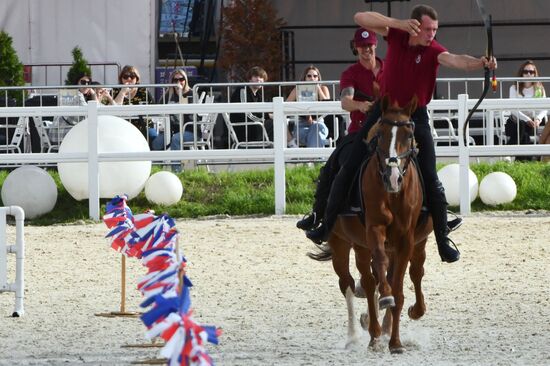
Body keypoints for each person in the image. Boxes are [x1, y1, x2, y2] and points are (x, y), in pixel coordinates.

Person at [305, 4, 497, 263]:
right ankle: (326, 226)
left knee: (429, 174)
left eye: (435, 30)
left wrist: (479, 63)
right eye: (428, 29)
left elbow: (456, 60)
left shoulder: (433, 50)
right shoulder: (395, 34)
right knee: (350, 164)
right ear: (415, 25)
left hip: (415, 116)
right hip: (383, 111)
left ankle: (442, 237)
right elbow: (359, 16)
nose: (432, 34)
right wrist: (398, 23)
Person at [297, 28, 382, 231]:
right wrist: (361, 106)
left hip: (389, 127)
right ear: (355, 48)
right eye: (361, 47)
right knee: (335, 166)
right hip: (360, 130)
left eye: (369, 45)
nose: (366, 50)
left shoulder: (390, 69)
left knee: (419, 160)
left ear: (375, 45)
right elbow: (345, 101)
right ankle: (322, 216)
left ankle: (434, 213)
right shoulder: (350, 74)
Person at [506, 60, 547, 160]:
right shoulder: (514, 88)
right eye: (526, 71)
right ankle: (524, 160)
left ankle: (508, 153)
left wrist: (538, 119)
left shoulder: (539, 88)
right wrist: (526, 119)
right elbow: (513, 109)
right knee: (522, 127)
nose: (528, 74)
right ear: (521, 73)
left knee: (524, 132)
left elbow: (544, 108)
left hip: (532, 123)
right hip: (514, 122)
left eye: (531, 72)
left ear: (535, 74)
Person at [286, 65, 331, 147]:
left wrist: (318, 89)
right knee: (315, 134)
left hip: (319, 122)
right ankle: (317, 158)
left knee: (316, 128)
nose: (312, 78)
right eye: (309, 76)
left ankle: (312, 158)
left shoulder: (323, 88)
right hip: (301, 124)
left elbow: (327, 105)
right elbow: (286, 105)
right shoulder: (298, 89)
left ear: (318, 78)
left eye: (315, 76)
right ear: (304, 78)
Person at [152, 68, 195, 151]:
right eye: (175, 80)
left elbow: (190, 114)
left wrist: (180, 95)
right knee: (156, 143)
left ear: (185, 80)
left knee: (176, 139)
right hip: (171, 129)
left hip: (190, 130)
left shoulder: (191, 94)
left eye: (181, 79)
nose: (178, 82)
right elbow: (158, 110)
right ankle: (164, 162)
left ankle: (176, 164)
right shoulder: (168, 95)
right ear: (171, 82)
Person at [113, 65, 157, 144]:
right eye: (125, 77)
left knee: (153, 137)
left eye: (132, 77)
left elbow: (154, 108)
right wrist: (122, 92)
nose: (129, 79)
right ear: (121, 79)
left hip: (144, 125)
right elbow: (112, 108)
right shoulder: (116, 90)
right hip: (122, 126)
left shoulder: (143, 91)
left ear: (136, 79)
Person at [229, 66, 274, 144]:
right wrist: (267, 117)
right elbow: (247, 114)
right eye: (256, 76)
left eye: (261, 77)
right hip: (244, 128)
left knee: (278, 122)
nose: (258, 79)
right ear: (249, 78)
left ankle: (275, 149)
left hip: (254, 126)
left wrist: (269, 116)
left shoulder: (258, 96)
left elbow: (261, 113)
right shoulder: (242, 90)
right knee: (274, 123)